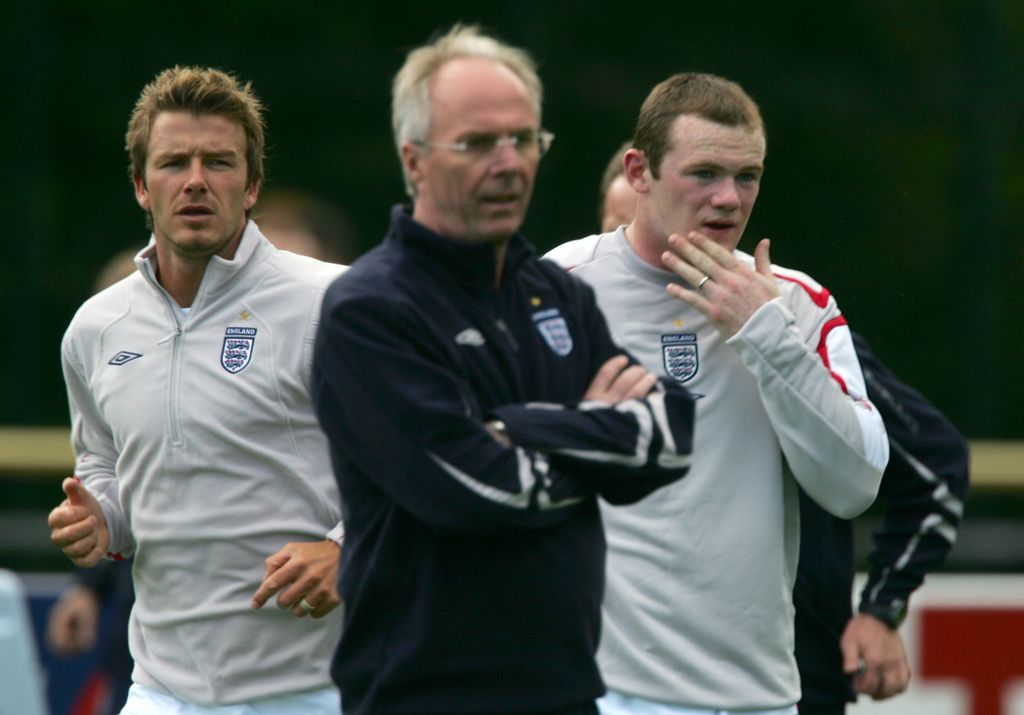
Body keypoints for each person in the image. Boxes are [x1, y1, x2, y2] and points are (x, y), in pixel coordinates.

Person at [311, 25, 697, 715]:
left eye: (524, 139)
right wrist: (596, 439)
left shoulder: (556, 292)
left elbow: (669, 438)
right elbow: (478, 493)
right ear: (415, 159)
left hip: (567, 692)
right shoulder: (369, 309)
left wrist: (516, 427)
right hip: (422, 696)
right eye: (478, 143)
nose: (509, 162)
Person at [546, 73, 890, 715]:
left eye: (748, 176)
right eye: (704, 173)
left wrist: (765, 333)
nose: (729, 199)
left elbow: (855, 485)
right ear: (639, 171)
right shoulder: (556, 290)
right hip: (599, 690)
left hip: (759, 695)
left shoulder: (797, 303)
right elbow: (471, 460)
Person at [590, 141, 970, 713]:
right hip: (616, 676)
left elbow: (932, 462)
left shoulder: (787, 322)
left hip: (793, 666)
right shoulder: (571, 311)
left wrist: (882, 606)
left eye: (745, 178)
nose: (657, 250)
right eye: (622, 227)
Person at [47, 65, 346, 715]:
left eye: (219, 161)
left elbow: (415, 460)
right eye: (174, 161)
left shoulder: (336, 304)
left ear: (253, 183)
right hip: (159, 688)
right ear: (139, 184)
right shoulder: (96, 328)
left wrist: (344, 550)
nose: (196, 181)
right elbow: (106, 465)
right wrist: (99, 514)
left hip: (317, 688)